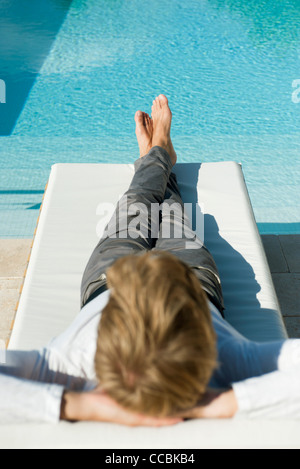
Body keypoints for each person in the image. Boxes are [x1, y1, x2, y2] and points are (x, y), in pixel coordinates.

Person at [1, 95, 300, 425]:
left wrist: (79, 406)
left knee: (138, 202)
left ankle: (156, 156)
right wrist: (221, 404)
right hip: (191, 278)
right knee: (171, 213)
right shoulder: (225, 357)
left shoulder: (73, 360)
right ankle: (159, 155)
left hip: (111, 278)